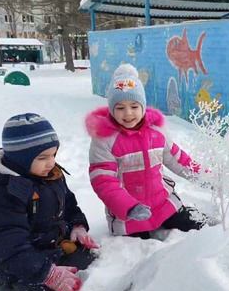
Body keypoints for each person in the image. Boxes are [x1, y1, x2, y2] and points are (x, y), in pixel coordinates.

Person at [0, 113, 99, 291]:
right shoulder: (2, 193)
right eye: (42, 158)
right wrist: (47, 273)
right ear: (20, 159)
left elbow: (68, 204)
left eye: (53, 155)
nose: (51, 163)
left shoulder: (50, 174)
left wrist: (77, 225)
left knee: (91, 263)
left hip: (51, 249)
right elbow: (7, 245)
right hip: (19, 264)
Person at [86, 63, 212, 240]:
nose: (128, 113)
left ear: (143, 106)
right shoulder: (104, 138)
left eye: (134, 106)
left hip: (163, 204)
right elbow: (103, 181)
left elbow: (177, 158)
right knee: (137, 249)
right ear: (111, 109)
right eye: (120, 107)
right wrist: (128, 207)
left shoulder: (156, 131)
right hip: (129, 215)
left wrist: (205, 176)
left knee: (197, 225)